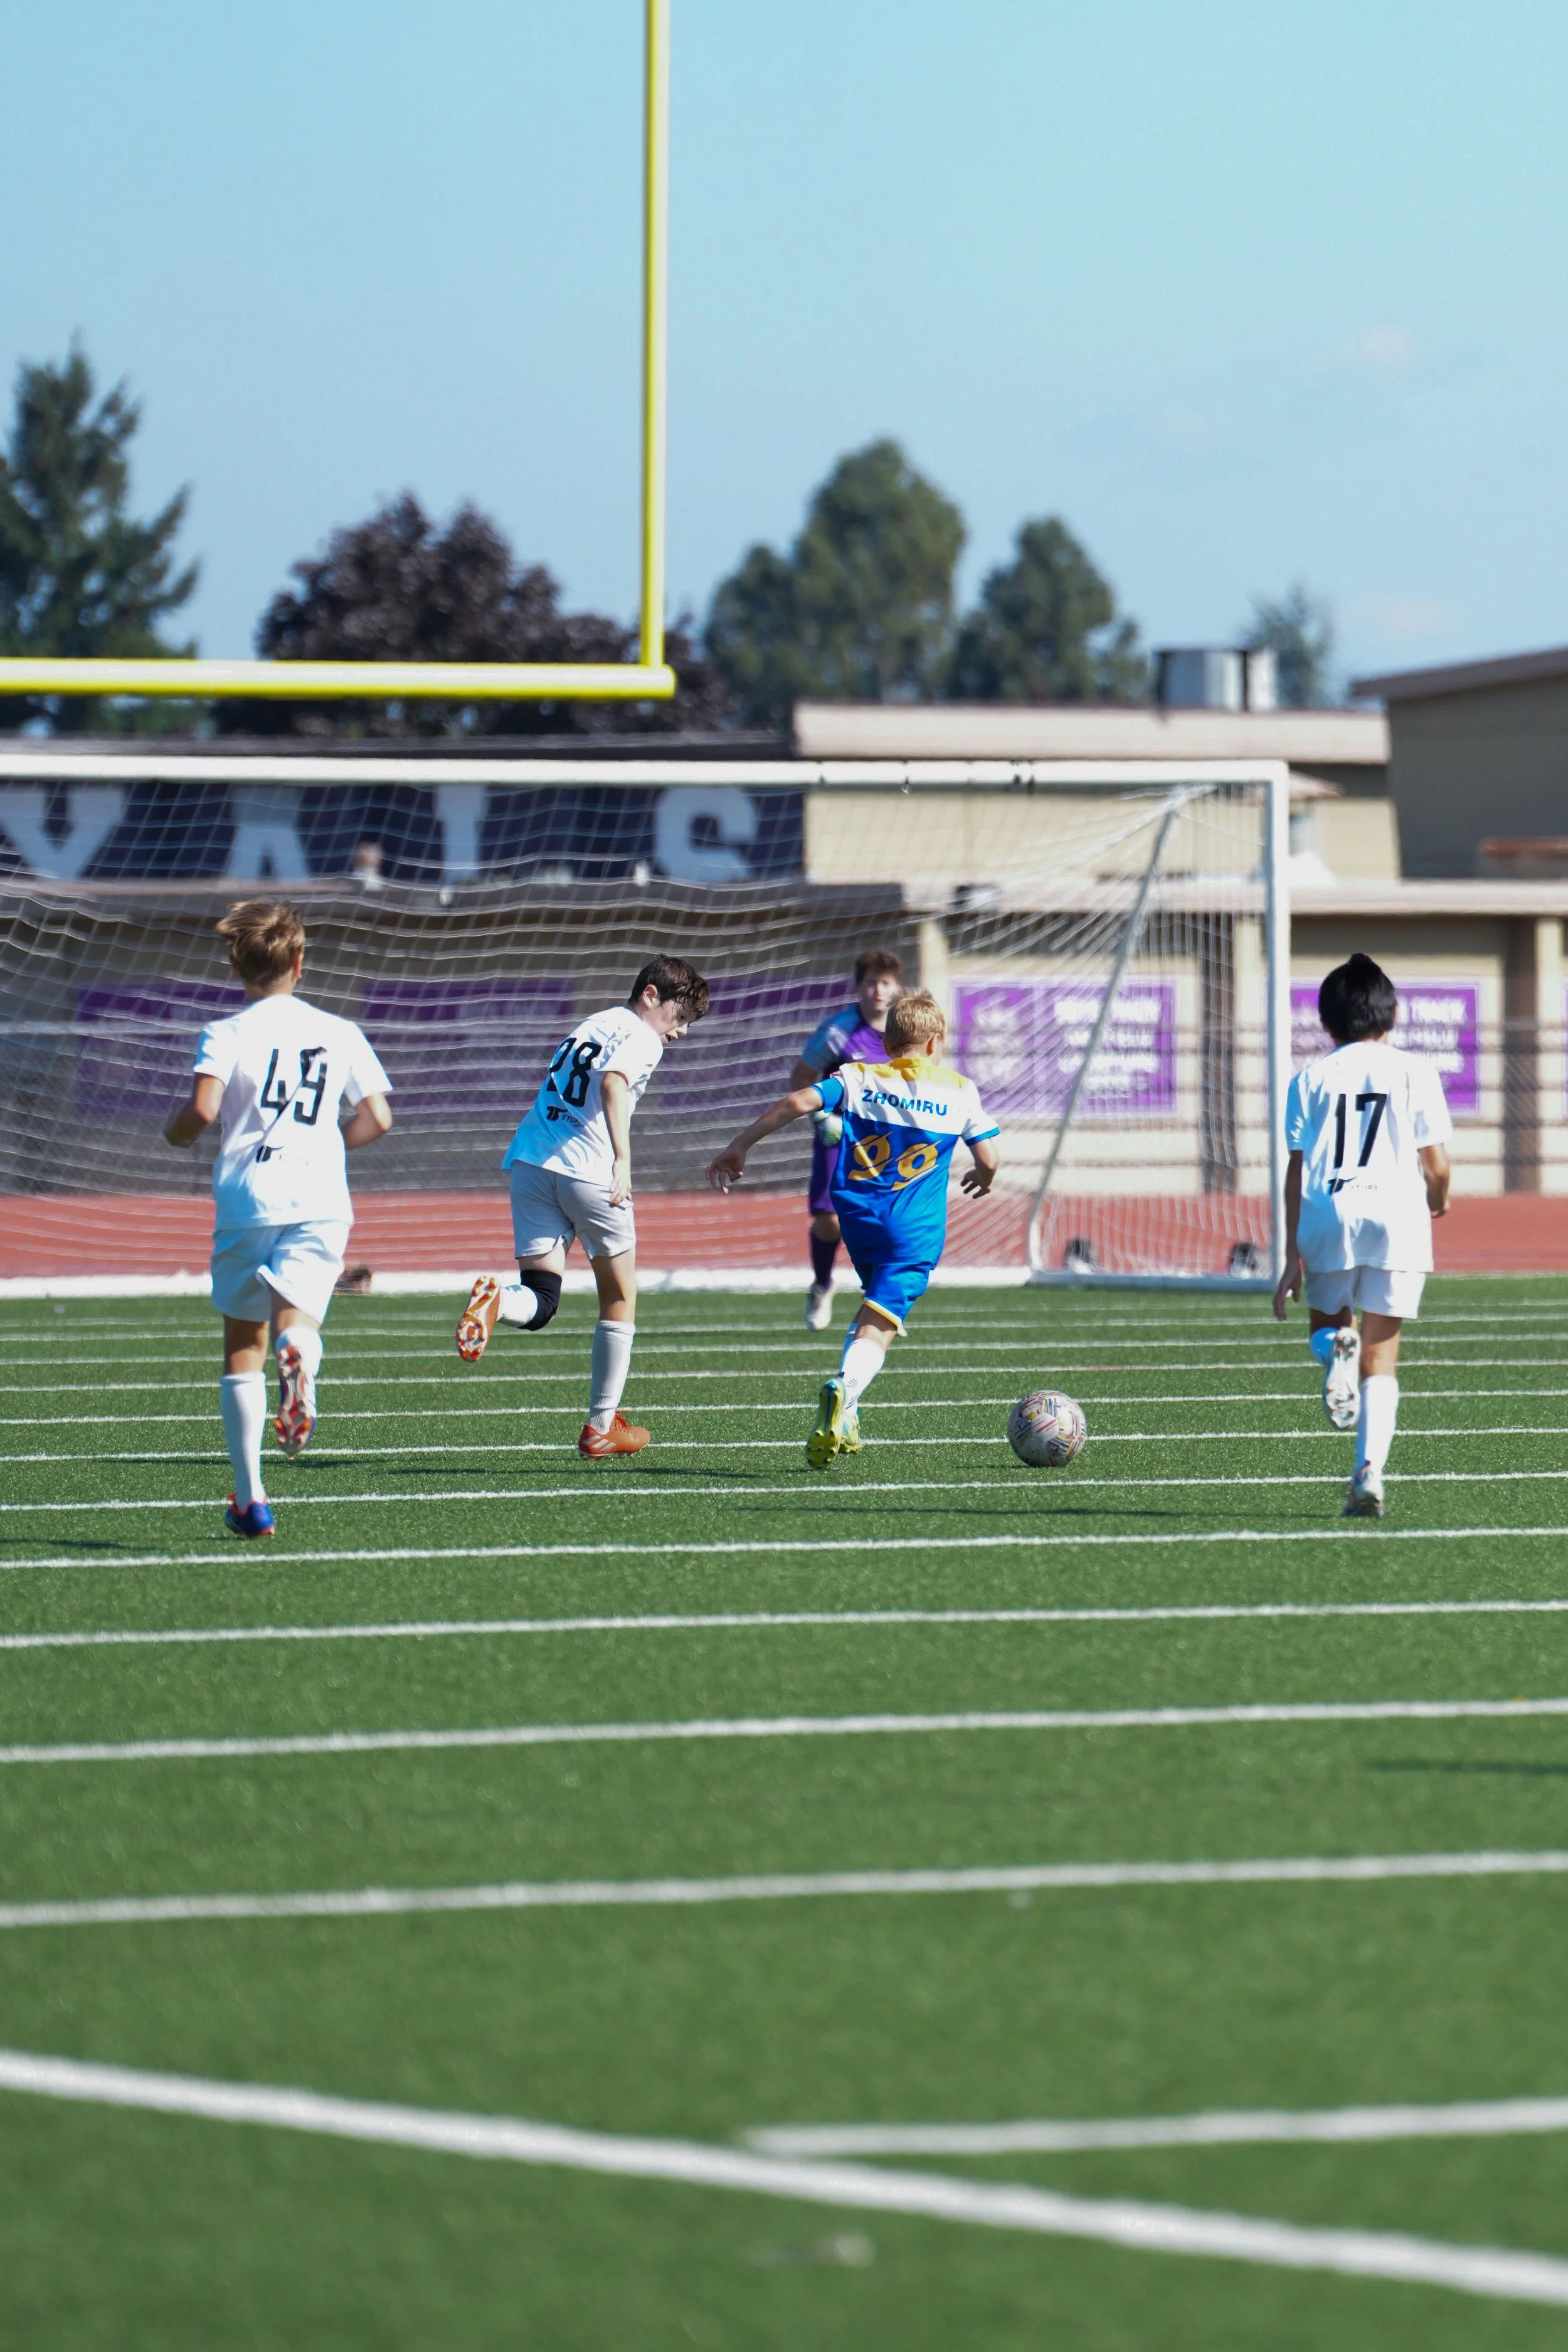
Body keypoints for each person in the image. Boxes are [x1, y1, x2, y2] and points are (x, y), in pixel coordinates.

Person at [162, 899, 393, 1539]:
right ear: (299, 963)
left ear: (237, 967)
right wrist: (323, 1147)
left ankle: (251, 1498)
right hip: (317, 1196)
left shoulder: (226, 1033)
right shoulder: (339, 1031)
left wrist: (175, 1133)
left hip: (247, 1197)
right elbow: (378, 1117)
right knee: (297, 1322)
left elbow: (203, 1111)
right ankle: (301, 1354)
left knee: (244, 1346)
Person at [707, 987, 1000, 1468]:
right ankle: (846, 1388)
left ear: (888, 1044)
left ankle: (849, 1416)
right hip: (913, 1230)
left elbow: (801, 1100)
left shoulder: (860, 1076)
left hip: (859, 1220)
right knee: (881, 1323)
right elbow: (987, 1157)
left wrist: (740, 1145)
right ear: (934, 1042)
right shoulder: (959, 1089)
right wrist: (984, 1178)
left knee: (870, 1312)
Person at [455, 955, 709, 1458]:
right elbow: (614, 1084)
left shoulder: (594, 1022)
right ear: (651, 996)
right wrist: (623, 1159)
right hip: (589, 1172)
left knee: (541, 1300)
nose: (679, 1034)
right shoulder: (639, 1035)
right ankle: (600, 1425)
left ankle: (496, 1301)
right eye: (678, 1019)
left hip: (532, 1163)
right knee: (619, 1296)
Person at [1273, 952, 1451, 1518]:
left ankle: (1334, 1350)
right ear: (1391, 1015)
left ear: (1327, 1021)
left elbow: (1296, 1169)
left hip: (1329, 1213)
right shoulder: (1415, 1071)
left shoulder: (1310, 1078)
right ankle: (1368, 1474)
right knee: (1383, 1360)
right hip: (1397, 1216)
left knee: (1326, 1335)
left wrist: (1289, 1255)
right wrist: (1438, 1202)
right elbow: (1437, 1166)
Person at [792, 948, 904, 1330]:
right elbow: (800, 1078)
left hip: (884, 1141)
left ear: (896, 987)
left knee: (882, 1220)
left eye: (885, 982)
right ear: (858, 986)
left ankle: (878, 1299)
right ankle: (822, 1284)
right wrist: (821, 1117)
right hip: (837, 1136)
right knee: (828, 1219)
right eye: (871, 981)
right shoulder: (838, 1031)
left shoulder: (903, 1034)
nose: (878, 990)